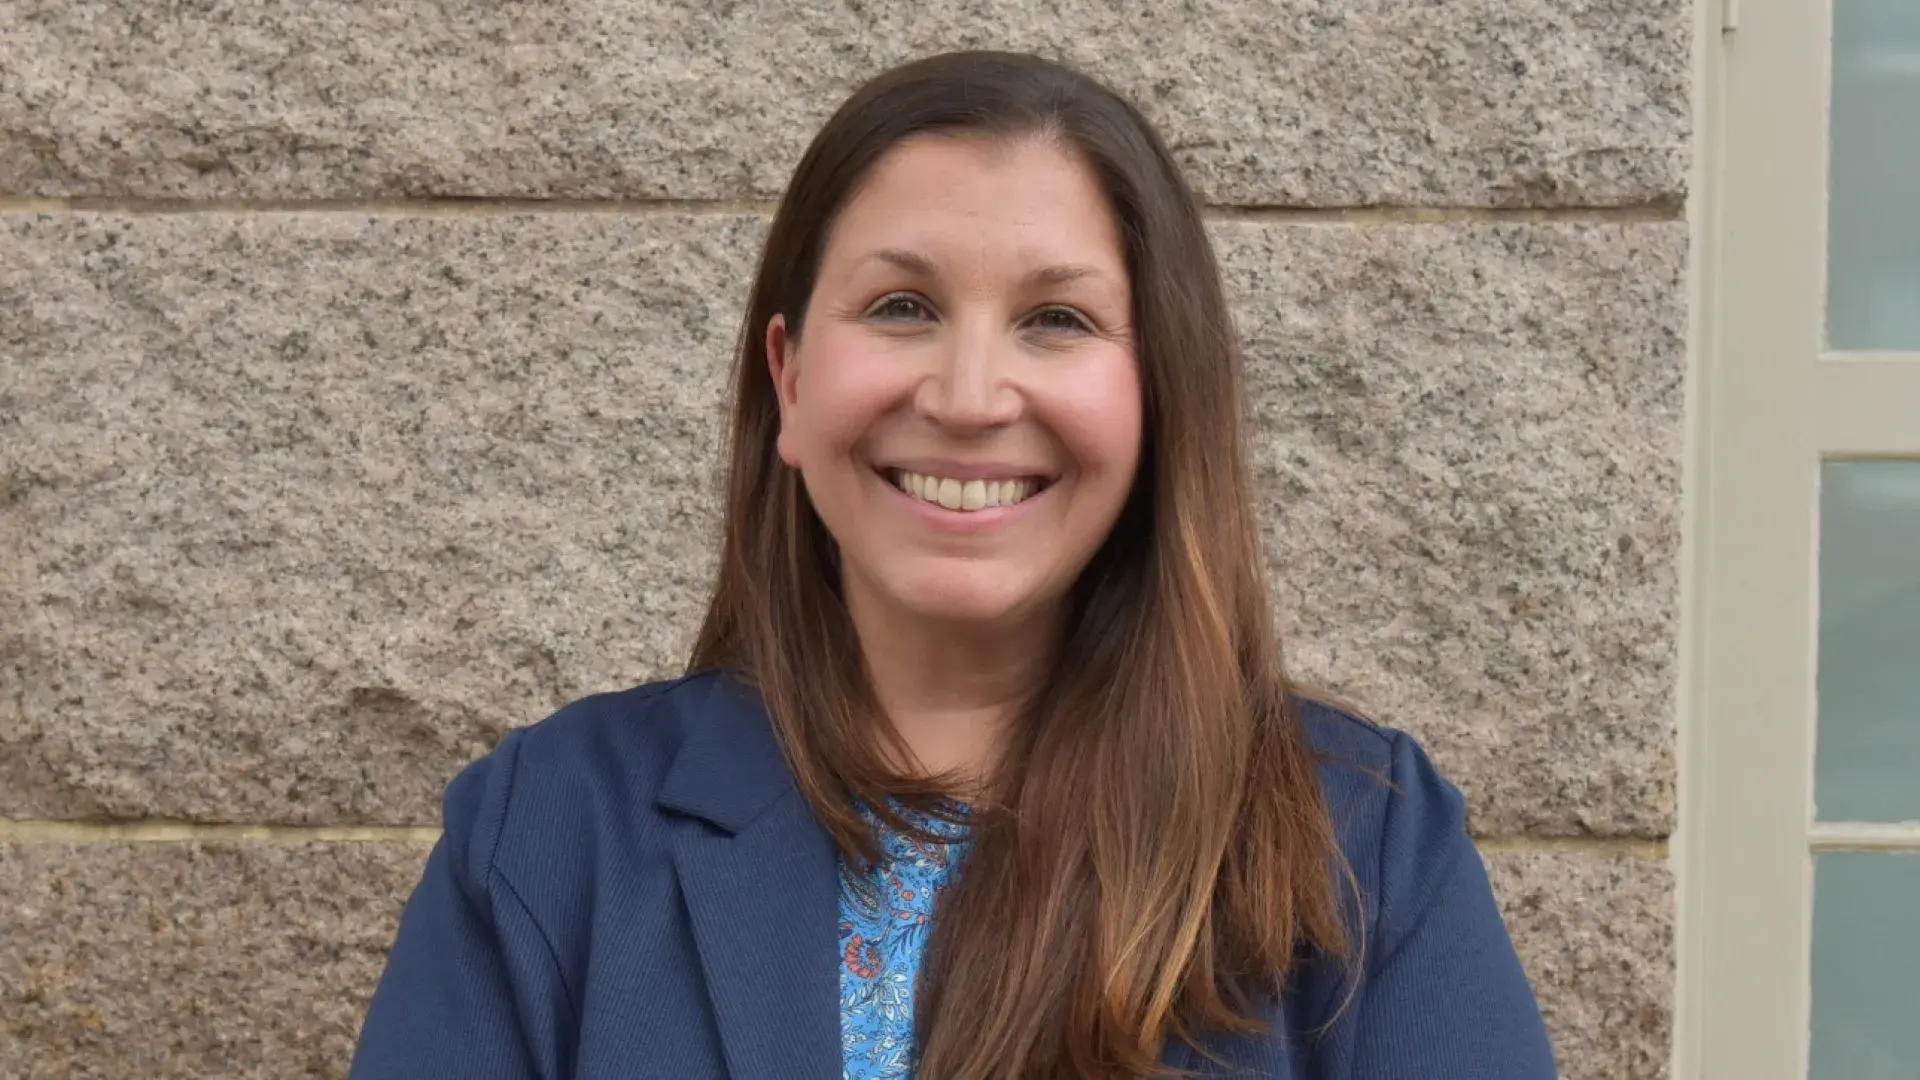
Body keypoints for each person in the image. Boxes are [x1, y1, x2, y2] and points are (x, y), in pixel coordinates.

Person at [348, 50, 1556, 1080]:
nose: (970, 397)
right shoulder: (549, 833)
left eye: (1057, 320)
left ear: (1158, 396)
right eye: (901, 307)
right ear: (789, 379)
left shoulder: (1361, 848)